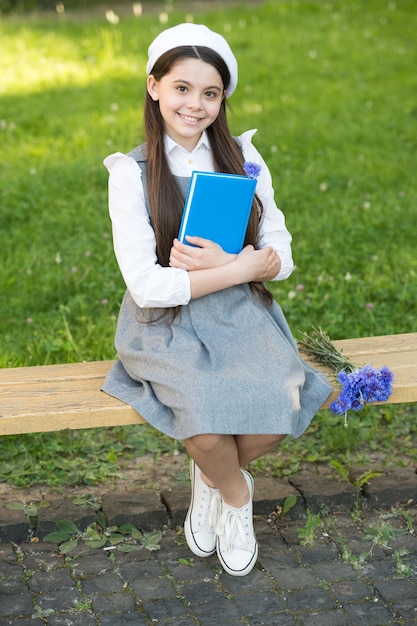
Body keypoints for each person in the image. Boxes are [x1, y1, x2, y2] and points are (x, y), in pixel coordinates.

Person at [102, 23, 332, 577]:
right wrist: (242, 268)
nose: (195, 104)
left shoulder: (243, 159)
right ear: (154, 86)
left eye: (210, 93)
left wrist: (241, 265)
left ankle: (210, 478)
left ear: (222, 98)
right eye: (182, 88)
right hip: (166, 321)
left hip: (239, 316)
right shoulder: (130, 173)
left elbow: (281, 250)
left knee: (278, 411)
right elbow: (148, 285)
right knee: (204, 425)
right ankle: (234, 497)